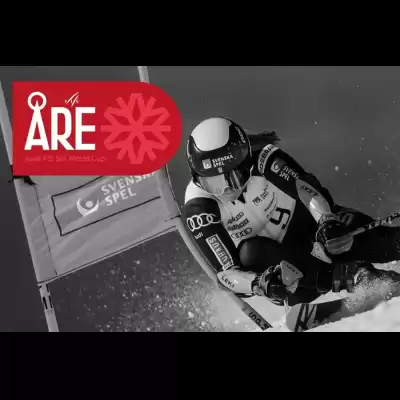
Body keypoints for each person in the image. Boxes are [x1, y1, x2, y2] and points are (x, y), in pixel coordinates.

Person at [182, 117, 400, 307]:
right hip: (294, 277)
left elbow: (307, 189)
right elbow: (226, 274)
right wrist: (258, 284)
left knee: (376, 240)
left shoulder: (263, 158)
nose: (227, 189)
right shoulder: (198, 207)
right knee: (251, 253)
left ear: (246, 160)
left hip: (313, 233)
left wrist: (326, 221)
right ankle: (355, 275)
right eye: (214, 183)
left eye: (235, 176)